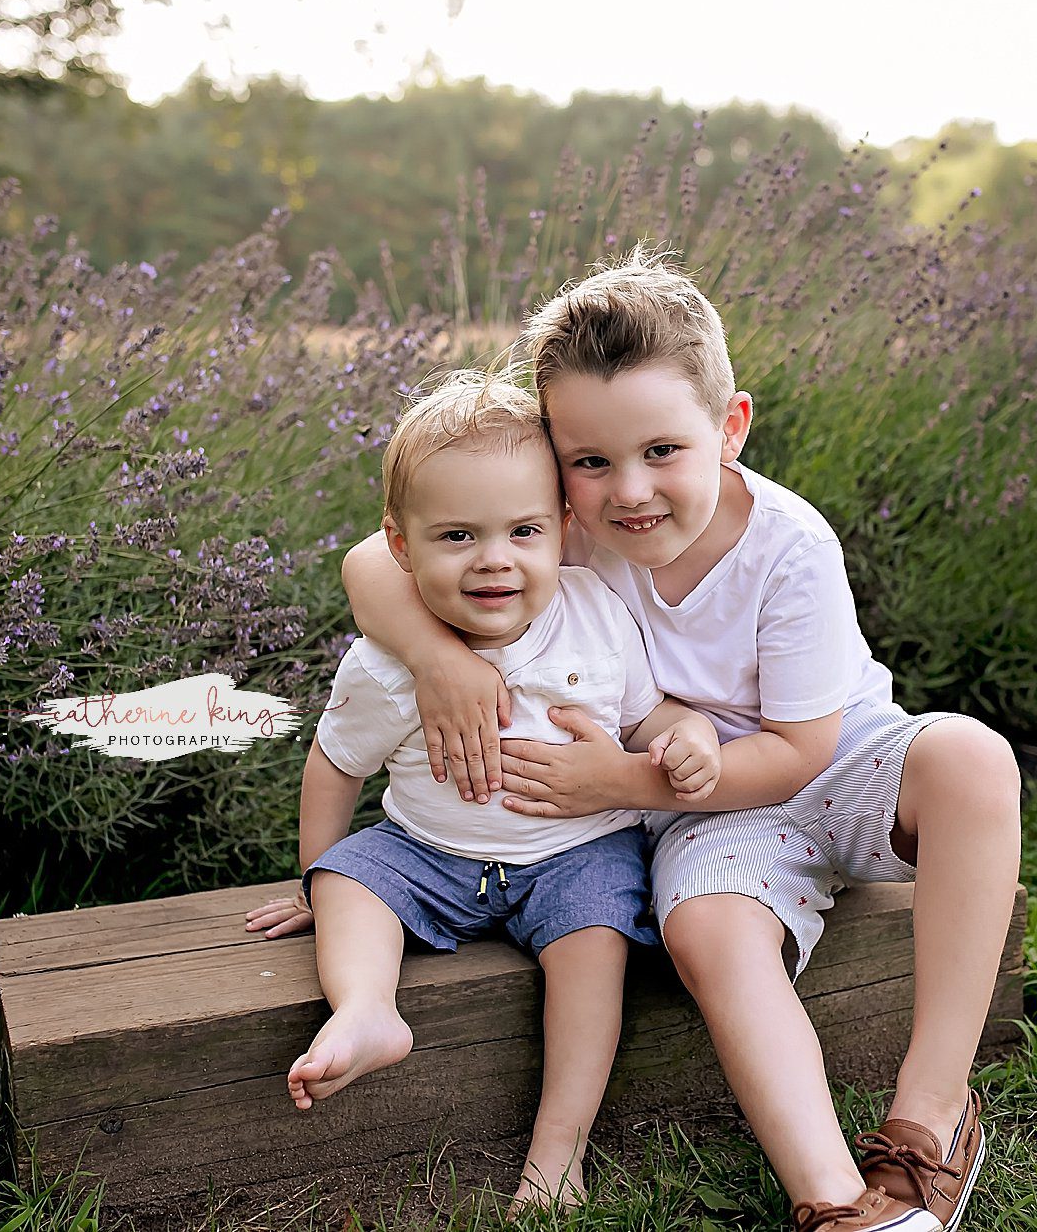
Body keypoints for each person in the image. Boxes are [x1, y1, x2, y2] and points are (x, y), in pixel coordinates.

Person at [340, 249, 1023, 1232]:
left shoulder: (788, 544)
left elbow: (796, 751)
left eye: (662, 450)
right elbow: (373, 557)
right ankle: (838, 1203)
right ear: (553, 459)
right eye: (589, 461)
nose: (628, 491)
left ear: (728, 426)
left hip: (826, 765)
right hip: (703, 817)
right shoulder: (562, 529)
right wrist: (436, 658)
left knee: (970, 755)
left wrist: (613, 778)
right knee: (704, 929)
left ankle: (925, 1124)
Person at [244, 368, 722, 1211]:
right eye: (458, 535)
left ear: (563, 530)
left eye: (524, 531)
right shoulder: (390, 664)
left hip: (577, 850)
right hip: (427, 849)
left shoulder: (596, 613)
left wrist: (686, 738)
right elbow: (336, 763)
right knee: (355, 880)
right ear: (401, 545)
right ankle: (365, 1009)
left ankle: (557, 1151)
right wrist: (316, 876)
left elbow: (649, 711)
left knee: (594, 951)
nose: (495, 559)